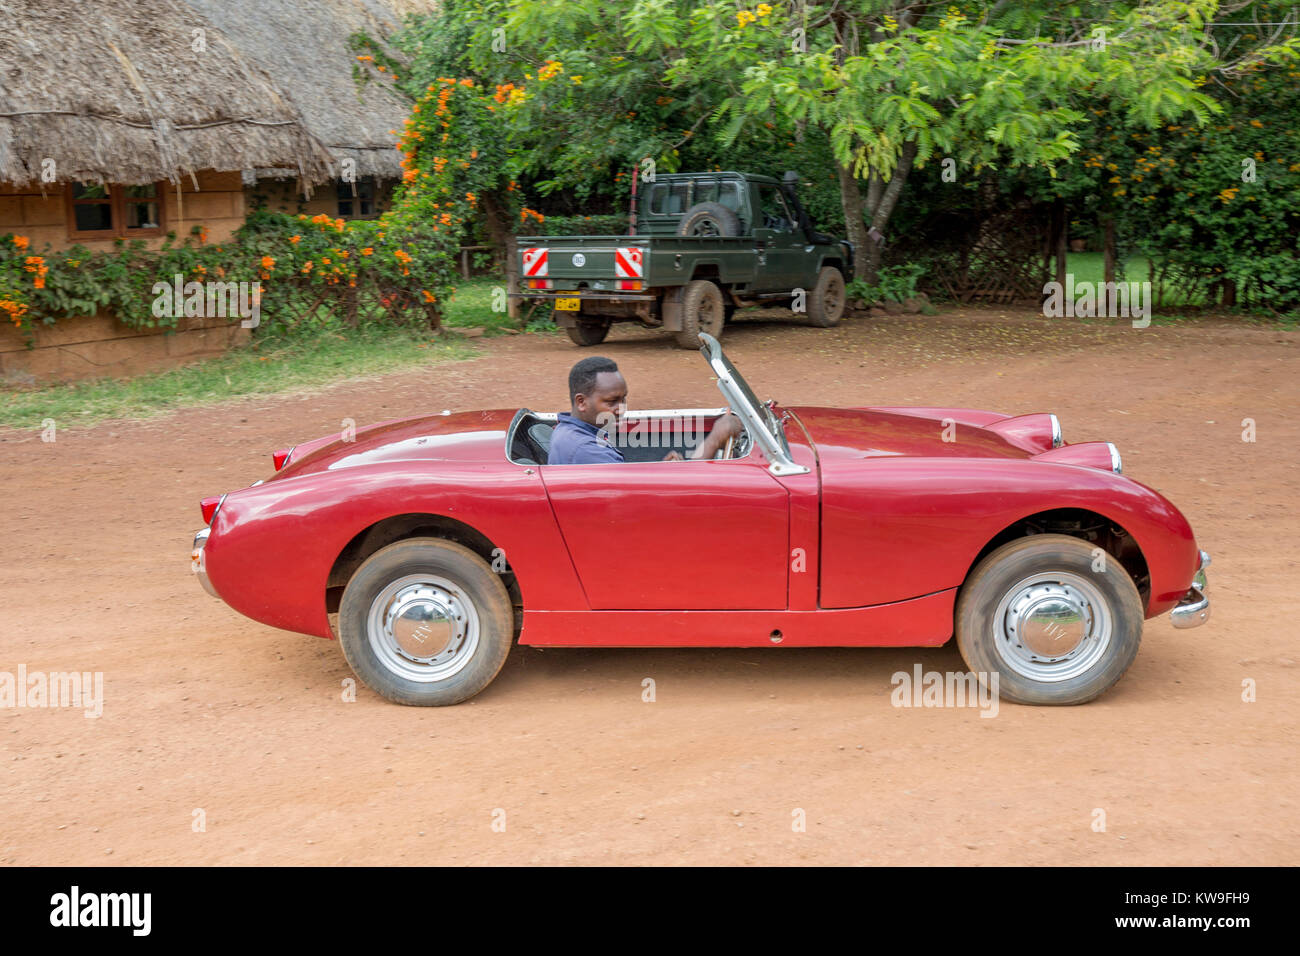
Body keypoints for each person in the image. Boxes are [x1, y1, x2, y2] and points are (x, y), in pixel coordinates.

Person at [547, 356, 743, 465]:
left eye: (624, 399)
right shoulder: (586, 451)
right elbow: (639, 498)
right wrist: (715, 439)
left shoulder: (574, 432)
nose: (621, 409)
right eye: (611, 401)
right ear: (581, 402)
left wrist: (664, 470)